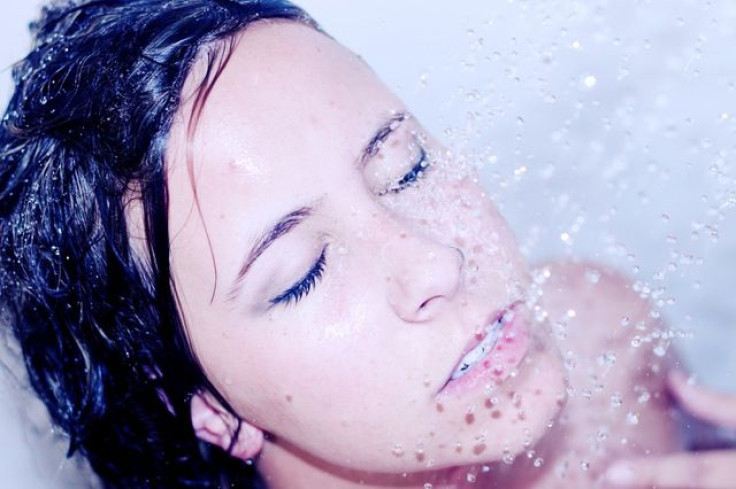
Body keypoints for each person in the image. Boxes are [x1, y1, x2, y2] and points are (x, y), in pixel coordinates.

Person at [0, 0, 733, 487]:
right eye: (303, 274)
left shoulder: (600, 342)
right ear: (212, 412)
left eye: (403, 165)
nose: (438, 260)